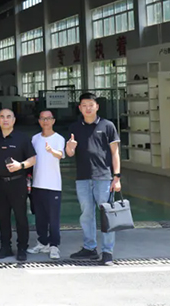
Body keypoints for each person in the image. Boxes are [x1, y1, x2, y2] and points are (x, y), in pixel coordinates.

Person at [67, 92, 122, 266]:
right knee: (86, 215)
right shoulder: (75, 128)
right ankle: (89, 248)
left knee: (106, 215)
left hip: (104, 177)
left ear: (97, 106)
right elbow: (69, 153)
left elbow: (115, 153)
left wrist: (117, 176)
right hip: (82, 178)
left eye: (91, 105)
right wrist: (70, 147)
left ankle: (107, 252)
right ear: (79, 108)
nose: (88, 108)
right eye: (84, 105)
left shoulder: (107, 126)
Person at [0, 108, 36, 262]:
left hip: (18, 182)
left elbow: (33, 159)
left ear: (14, 120)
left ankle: (22, 247)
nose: (5, 119)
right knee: (2, 217)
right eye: (2, 117)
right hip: (0, 183)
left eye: (8, 117)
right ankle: (5, 247)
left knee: (20, 217)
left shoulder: (22, 138)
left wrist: (20, 165)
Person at [27, 110, 66, 260]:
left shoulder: (58, 138)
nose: (45, 121)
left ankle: (54, 245)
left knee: (53, 218)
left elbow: (60, 154)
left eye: (48, 118)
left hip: (53, 185)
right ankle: (42, 242)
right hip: (37, 184)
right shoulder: (35, 138)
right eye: (43, 118)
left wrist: (51, 151)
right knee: (40, 217)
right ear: (39, 121)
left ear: (53, 121)